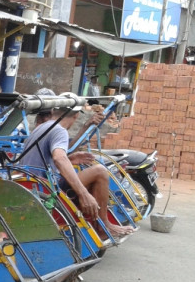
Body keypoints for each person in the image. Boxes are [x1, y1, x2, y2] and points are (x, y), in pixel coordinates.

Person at [18, 101, 135, 238]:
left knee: (90, 174)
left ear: (53, 112)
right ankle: (103, 226)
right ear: (76, 116)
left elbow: (51, 157)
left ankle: (92, 222)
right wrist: (83, 194)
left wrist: (71, 159)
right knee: (100, 171)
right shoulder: (59, 130)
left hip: (31, 181)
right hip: (45, 187)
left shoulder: (43, 127)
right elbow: (59, 158)